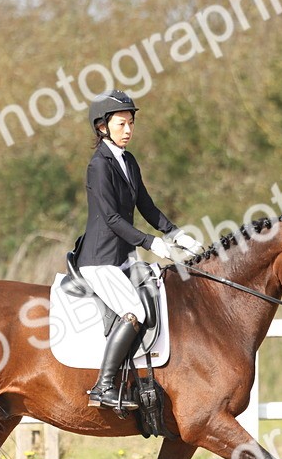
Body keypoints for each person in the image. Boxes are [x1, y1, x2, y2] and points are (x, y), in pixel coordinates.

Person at [74, 90, 203, 409]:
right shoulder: (99, 166)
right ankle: (103, 388)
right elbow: (113, 218)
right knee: (136, 313)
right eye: (121, 124)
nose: (128, 130)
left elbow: (146, 205)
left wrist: (176, 233)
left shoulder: (127, 160)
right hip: (100, 259)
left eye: (131, 123)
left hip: (123, 259)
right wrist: (151, 242)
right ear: (102, 127)